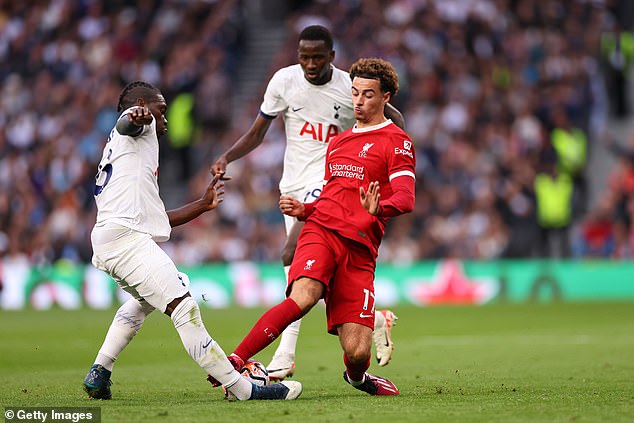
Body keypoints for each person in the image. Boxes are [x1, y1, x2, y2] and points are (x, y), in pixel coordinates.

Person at [82, 81, 302, 401]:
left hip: (110, 239)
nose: (166, 119)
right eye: (162, 110)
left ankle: (100, 371)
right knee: (184, 307)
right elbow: (127, 120)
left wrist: (201, 205)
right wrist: (139, 116)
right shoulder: (136, 125)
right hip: (125, 240)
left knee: (148, 299)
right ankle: (242, 389)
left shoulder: (130, 157)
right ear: (144, 104)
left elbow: (158, 220)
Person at [211, 25, 402, 380]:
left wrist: (395, 156)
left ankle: (284, 354)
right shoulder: (283, 82)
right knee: (310, 280)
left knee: (290, 251)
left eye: (317, 57)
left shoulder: (351, 87)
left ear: (332, 57)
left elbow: (394, 121)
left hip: (330, 183)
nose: (310, 64)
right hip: (294, 186)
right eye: (303, 57)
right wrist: (227, 156)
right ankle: (371, 318)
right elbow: (258, 132)